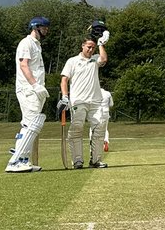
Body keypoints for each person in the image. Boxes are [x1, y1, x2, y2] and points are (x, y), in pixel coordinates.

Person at [59, 30, 109, 169]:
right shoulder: (72, 61)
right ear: (82, 46)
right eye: (88, 47)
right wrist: (65, 97)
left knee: (100, 128)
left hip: (95, 101)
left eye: (93, 47)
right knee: (76, 129)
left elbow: (104, 59)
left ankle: (96, 160)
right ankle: (77, 161)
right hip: (78, 101)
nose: (91, 50)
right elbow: (64, 80)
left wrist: (101, 43)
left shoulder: (95, 59)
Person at [7, 17, 50, 173]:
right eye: (44, 28)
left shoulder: (36, 45)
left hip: (34, 89)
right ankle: (14, 162)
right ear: (35, 27)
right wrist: (35, 85)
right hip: (28, 89)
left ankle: (24, 160)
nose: (46, 31)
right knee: (31, 124)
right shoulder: (26, 43)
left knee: (30, 124)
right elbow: (23, 65)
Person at [99, 87, 113, 153]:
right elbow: (111, 104)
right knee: (105, 128)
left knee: (95, 129)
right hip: (105, 112)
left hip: (97, 112)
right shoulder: (108, 93)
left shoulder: (94, 93)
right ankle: (106, 140)